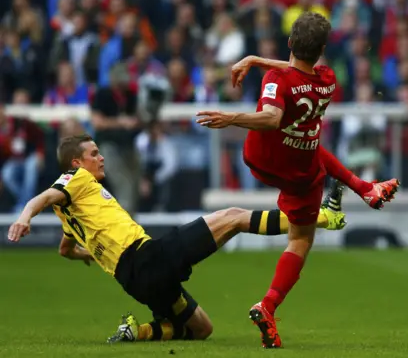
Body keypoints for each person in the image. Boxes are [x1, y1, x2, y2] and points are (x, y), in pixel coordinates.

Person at [6, 134, 348, 343]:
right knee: (232, 218)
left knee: (202, 329)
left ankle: (138, 332)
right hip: (147, 257)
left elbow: (65, 249)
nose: (101, 157)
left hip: (134, 281)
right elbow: (44, 198)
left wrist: (90, 255)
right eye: (94, 153)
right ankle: (322, 217)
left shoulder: (72, 212)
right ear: (77, 162)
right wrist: (24, 216)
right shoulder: (75, 179)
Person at [195, 12, 400, 348]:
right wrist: (258, 59)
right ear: (320, 51)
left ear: (289, 42)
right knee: (301, 240)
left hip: (263, 158)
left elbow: (272, 116)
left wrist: (231, 115)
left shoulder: (277, 78)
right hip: (299, 170)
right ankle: (268, 305)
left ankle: (365, 189)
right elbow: (298, 77)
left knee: (313, 144)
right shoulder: (328, 78)